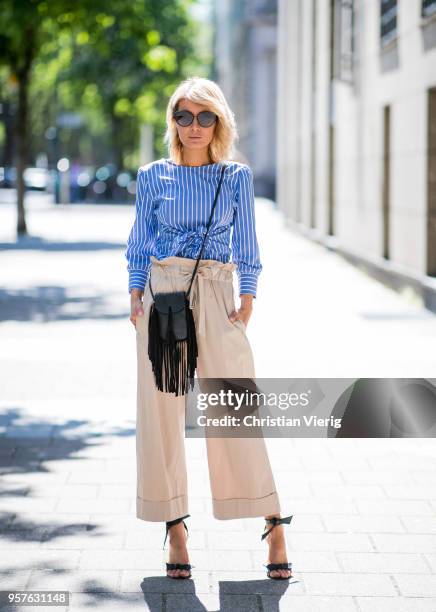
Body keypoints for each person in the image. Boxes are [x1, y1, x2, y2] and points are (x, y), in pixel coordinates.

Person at [125, 76, 293, 580]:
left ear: (219, 123)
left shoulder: (235, 177)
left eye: (205, 117)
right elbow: (140, 240)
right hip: (163, 297)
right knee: (160, 416)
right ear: (172, 122)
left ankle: (272, 520)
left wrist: (247, 299)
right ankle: (174, 526)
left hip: (218, 292)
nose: (194, 126)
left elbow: (248, 246)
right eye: (184, 116)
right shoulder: (152, 176)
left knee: (234, 407)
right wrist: (135, 294)